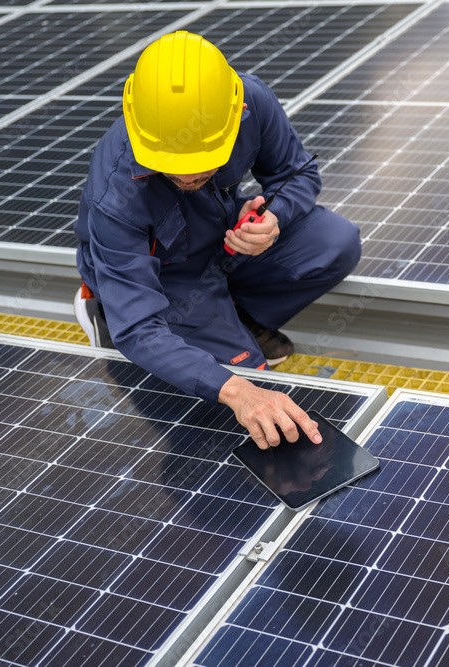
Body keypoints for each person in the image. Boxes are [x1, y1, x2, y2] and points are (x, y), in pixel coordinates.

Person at [72, 31, 361, 450]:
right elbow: (138, 327)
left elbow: (298, 174)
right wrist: (238, 392)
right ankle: (102, 306)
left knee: (335, 241)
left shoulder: (251, 102)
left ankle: (234, 312)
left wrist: (273, 219)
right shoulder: (114, 193)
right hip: (167, 276)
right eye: (172, 165)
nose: (188, 177)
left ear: (236, 114)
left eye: (203, 162)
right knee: (243, 382)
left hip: (224, 237)